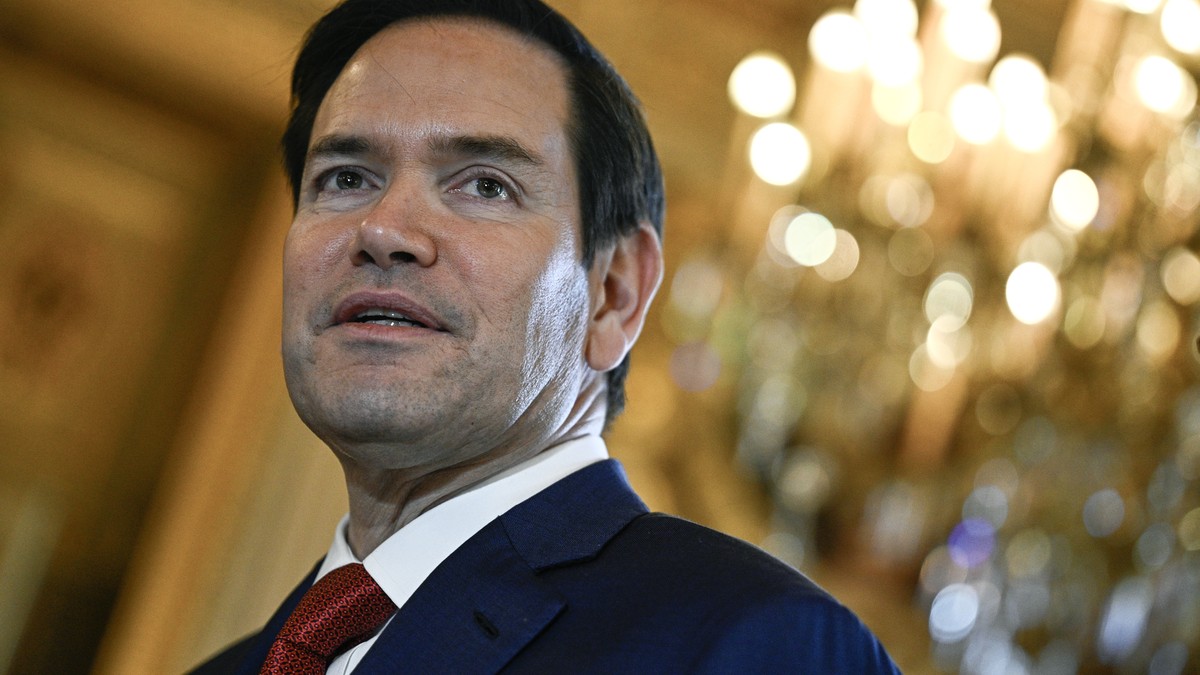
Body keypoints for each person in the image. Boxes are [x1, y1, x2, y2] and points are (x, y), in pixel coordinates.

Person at [193, 0, 901, 672]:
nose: (382, 229)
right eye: (345, 178)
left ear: (614, 295)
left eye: (485, 186)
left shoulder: (760, 643)